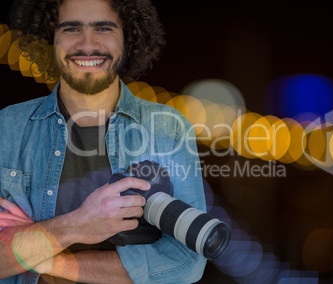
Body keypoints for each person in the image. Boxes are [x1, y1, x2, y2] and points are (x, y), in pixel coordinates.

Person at [0, 0, 207, 283]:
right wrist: (76, 225)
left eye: (103, 28)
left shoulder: (169, 128)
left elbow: (186, 264)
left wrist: (44, 257)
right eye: (71, 28)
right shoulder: (8, 127)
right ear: (49, 38)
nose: (88, 44)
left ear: (129, 39)